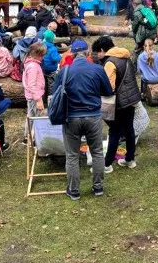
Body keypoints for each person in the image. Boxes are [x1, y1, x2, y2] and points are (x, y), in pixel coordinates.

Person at [54, 40, 113, 200]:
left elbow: (55, 93)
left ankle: (74, 191)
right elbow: (108, 91)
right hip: (93, 115)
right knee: (97, 152)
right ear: (87, 53)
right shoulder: (97, 69)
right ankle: (98, 187)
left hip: (71, 117)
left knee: (72, 155)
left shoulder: (65, 71)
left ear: (71, 55)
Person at [92, 36, 141, 172]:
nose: (98, 56)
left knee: (114, 131)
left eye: (98, 53)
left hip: (119, 102)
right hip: (131, 99)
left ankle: (106, 164)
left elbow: (109, 86)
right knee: (129, 130)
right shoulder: (125, 56)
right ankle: (130, 159)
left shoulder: (109, 62)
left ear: (102, 50)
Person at [22, 42, 46, 142]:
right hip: (34, 97)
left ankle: (28, 137)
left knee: (31, 116)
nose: (42, 58)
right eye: (41, 55)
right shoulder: (33, 66)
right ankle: (33, 138)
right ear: (35, 54)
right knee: (36, 118)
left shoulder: (31, 64)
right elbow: (32, 85)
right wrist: (38, 99)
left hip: (32, 96)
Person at [41, 30, 62, 98]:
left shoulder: (41, 45)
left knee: (43, 83)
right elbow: (55, 58)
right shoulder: (53, 48)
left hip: (43, 67)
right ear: (53, 39)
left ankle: (42, 97)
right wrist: (60, 56)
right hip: (51, 69)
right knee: (51, 83)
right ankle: (50, 97)